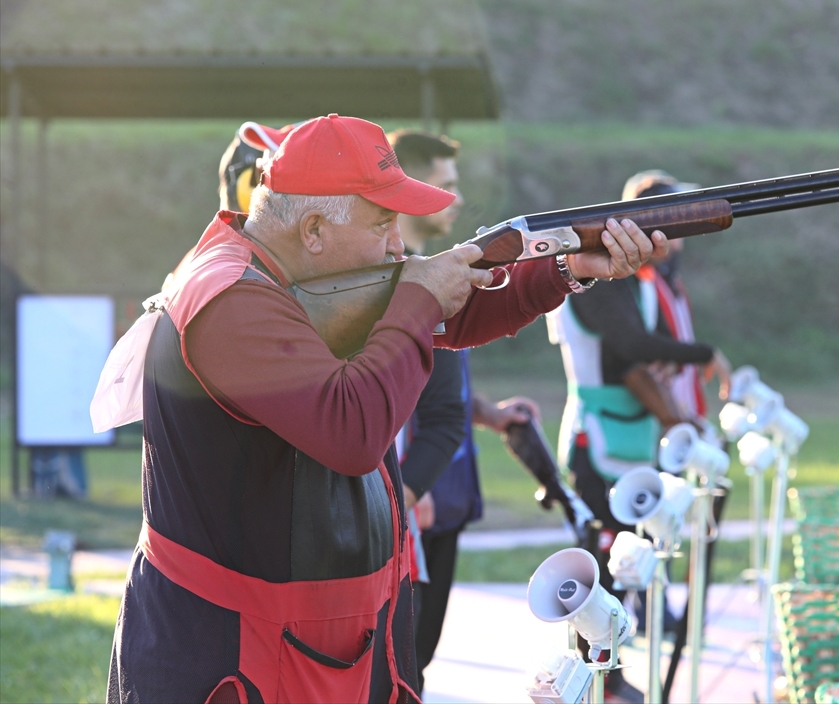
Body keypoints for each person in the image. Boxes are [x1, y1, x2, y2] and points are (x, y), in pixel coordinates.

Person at [106, 114, 666, 704]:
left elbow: (458, 312)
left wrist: (567, 266)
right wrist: (418, 299)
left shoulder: (299, 271)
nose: (398, 244)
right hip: (235, 658)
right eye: (383, 222)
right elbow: (352, 430)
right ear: (316, 229)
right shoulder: (231, 299)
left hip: (317, 648)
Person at [388, 130, 591, 694]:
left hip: (428, 493)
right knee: (404, 666)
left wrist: (491, 414)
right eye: (444, 186)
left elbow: (431, 387)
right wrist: (401, 496)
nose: (454, 199)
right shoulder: (401, 280)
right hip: (413, 495)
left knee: (409, 664)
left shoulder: (425, 274)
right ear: (412, 188)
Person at [546, 170, 730, 704]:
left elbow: (646, 351)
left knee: (622, 568)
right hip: (597, 438)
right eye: (675, 224)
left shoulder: (634, 280)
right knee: (599, 567)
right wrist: (692, 376)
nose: (680, 240)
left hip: (627, 436)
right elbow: (626, 351)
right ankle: (597, 682)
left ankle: (610, 679)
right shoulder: (602, 276)